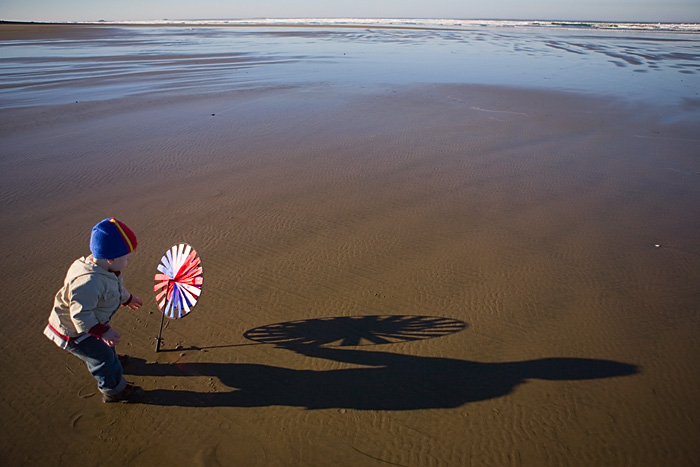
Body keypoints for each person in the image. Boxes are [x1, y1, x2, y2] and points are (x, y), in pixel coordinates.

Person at [44, 217, 144, 403]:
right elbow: (79, 315)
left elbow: (114, 288)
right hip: (74, 332)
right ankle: (114, 391)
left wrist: (128, 298)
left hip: (91, 321)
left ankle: (114, 364)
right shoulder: (88, 282)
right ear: (111, 258)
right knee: (102, 358)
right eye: (127, 258)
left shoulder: (106, 269)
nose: (128, 263)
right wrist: (102, 331)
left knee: (107, 348)